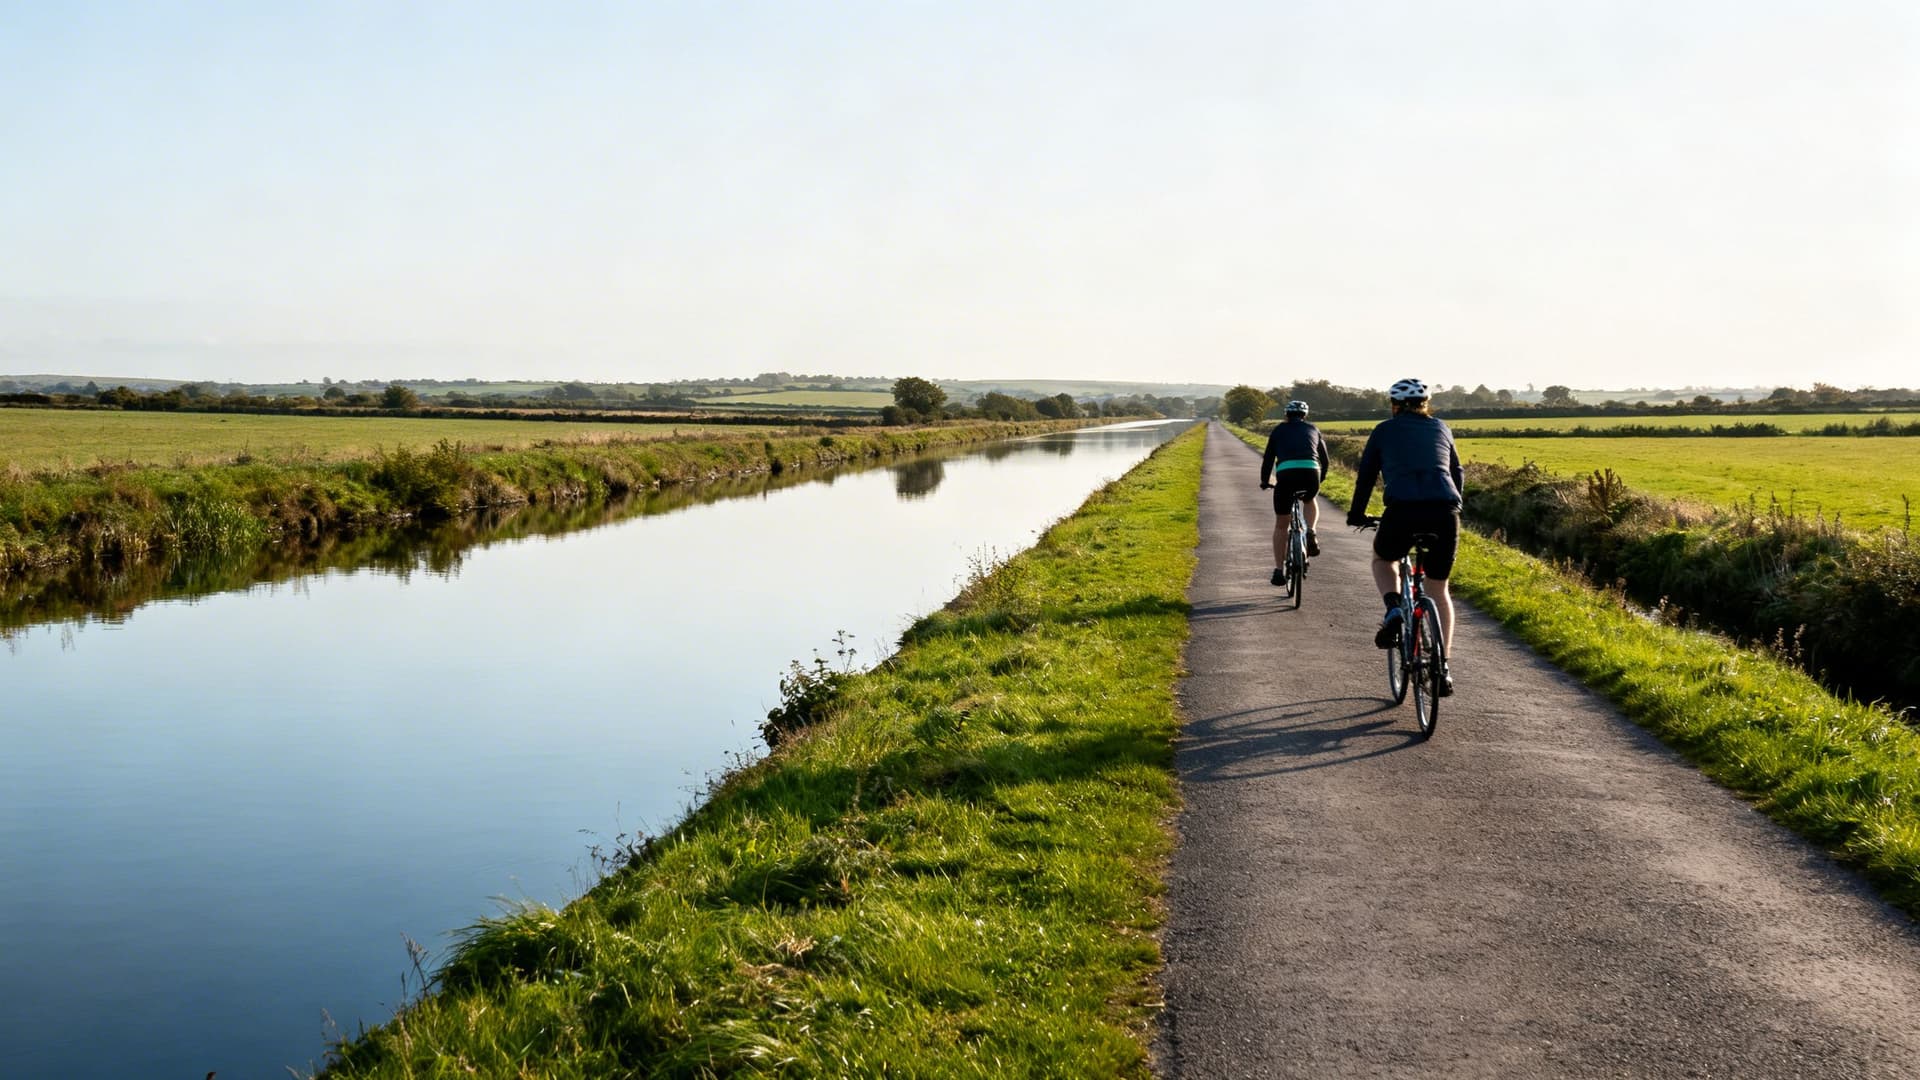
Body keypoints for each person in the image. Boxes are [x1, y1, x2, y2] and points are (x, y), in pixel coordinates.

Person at [1345, 378, 1463, 694]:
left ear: (1394, 405)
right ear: (1426, 404)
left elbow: (1367, 475)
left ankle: (1395, 608)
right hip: (1444, 512)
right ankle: (1443, 669)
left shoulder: (1384, 430)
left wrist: (1356, 514)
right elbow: (1456, 472)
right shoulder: (1441, 428)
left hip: (1403, 510)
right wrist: (1456, 505)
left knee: (1384, 559)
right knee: (1439, 588)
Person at [1259, 400, 1330, 587]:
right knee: (1309, 499)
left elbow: (1268, 459)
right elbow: (1325, 460)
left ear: (1286, 415)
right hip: (1311, 473)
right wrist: (1319, 479)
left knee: (1282, 525)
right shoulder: (1313, 429)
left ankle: (1278, 571)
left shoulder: (1278, 430)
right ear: (1304, 416)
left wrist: (1265, 481)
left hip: (1286, 475)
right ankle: (1311, 531)